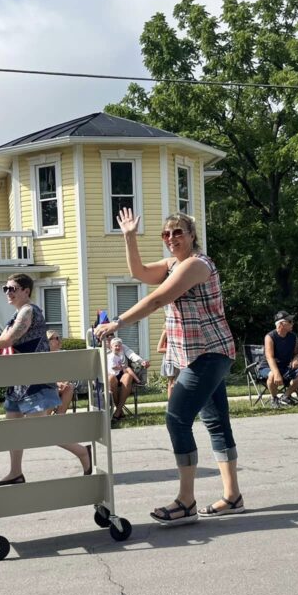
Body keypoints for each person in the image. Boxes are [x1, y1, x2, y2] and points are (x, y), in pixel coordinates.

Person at [95, 208, 242, 525]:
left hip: (208, 352)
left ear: (192, 236)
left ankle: (186, 501)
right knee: (216, 422)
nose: (171, 238)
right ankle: (232, 496)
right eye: (166, 234)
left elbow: (158, 298)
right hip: (202, 353)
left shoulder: (195, 265)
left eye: (178, 232)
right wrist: (130, 236)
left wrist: (117, 322)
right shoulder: (174, 264)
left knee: (176, 418)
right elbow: (139, 273)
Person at [0, 274, 92, 485]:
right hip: (18, 381)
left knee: (40, 430)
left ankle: (83, 452)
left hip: (34, 381)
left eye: (12, 288)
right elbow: (4, 343)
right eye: (5, 289)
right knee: (13, 428)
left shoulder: (29, 311)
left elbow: (7, 340)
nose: (8, 293)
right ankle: (15, 473)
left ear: (25, 291)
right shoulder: (16, 316)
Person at [257, 311, 298, 406]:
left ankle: (285, 396)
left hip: (285, 367)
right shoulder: (270, 337)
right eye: (290, 321)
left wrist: (295, 360)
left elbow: (296, 353)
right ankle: (274, 398)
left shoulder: (293, 337)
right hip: (268, 367)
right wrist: (276, 373)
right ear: (281, 324)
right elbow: (269, 357)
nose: (292, 323)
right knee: (272, 375)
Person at [107, 337, 148, 420]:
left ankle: (117, 411)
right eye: (107, 335)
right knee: (111, 378)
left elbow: (132, 355)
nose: (109, 336)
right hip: (109, 375)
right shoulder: (100, 349)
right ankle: (119, 412)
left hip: (121, 374)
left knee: (128, 376)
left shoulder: (121, 347)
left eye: (111, 334)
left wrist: (141, 361)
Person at [46, 331, 77, 415]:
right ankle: (44, 419)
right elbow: (43, 376)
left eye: (59, 337)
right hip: (46, 386)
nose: (59, 340)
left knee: (69, 387)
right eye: (56, 338)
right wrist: (57, 383)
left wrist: (65, 382)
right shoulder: (43, 355)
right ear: (48, 341)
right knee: (54, 390)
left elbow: (68, 371)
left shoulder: (63, 354)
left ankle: (60, 416)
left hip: (61, 385)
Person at [157, 328, 179, 398]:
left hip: (180, 359)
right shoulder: (166, 331)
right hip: (170, 359)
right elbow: (159, 349)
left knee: (179, 382)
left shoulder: (180, 330)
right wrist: (174, 350)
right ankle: (171, 404)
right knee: (171, 383)